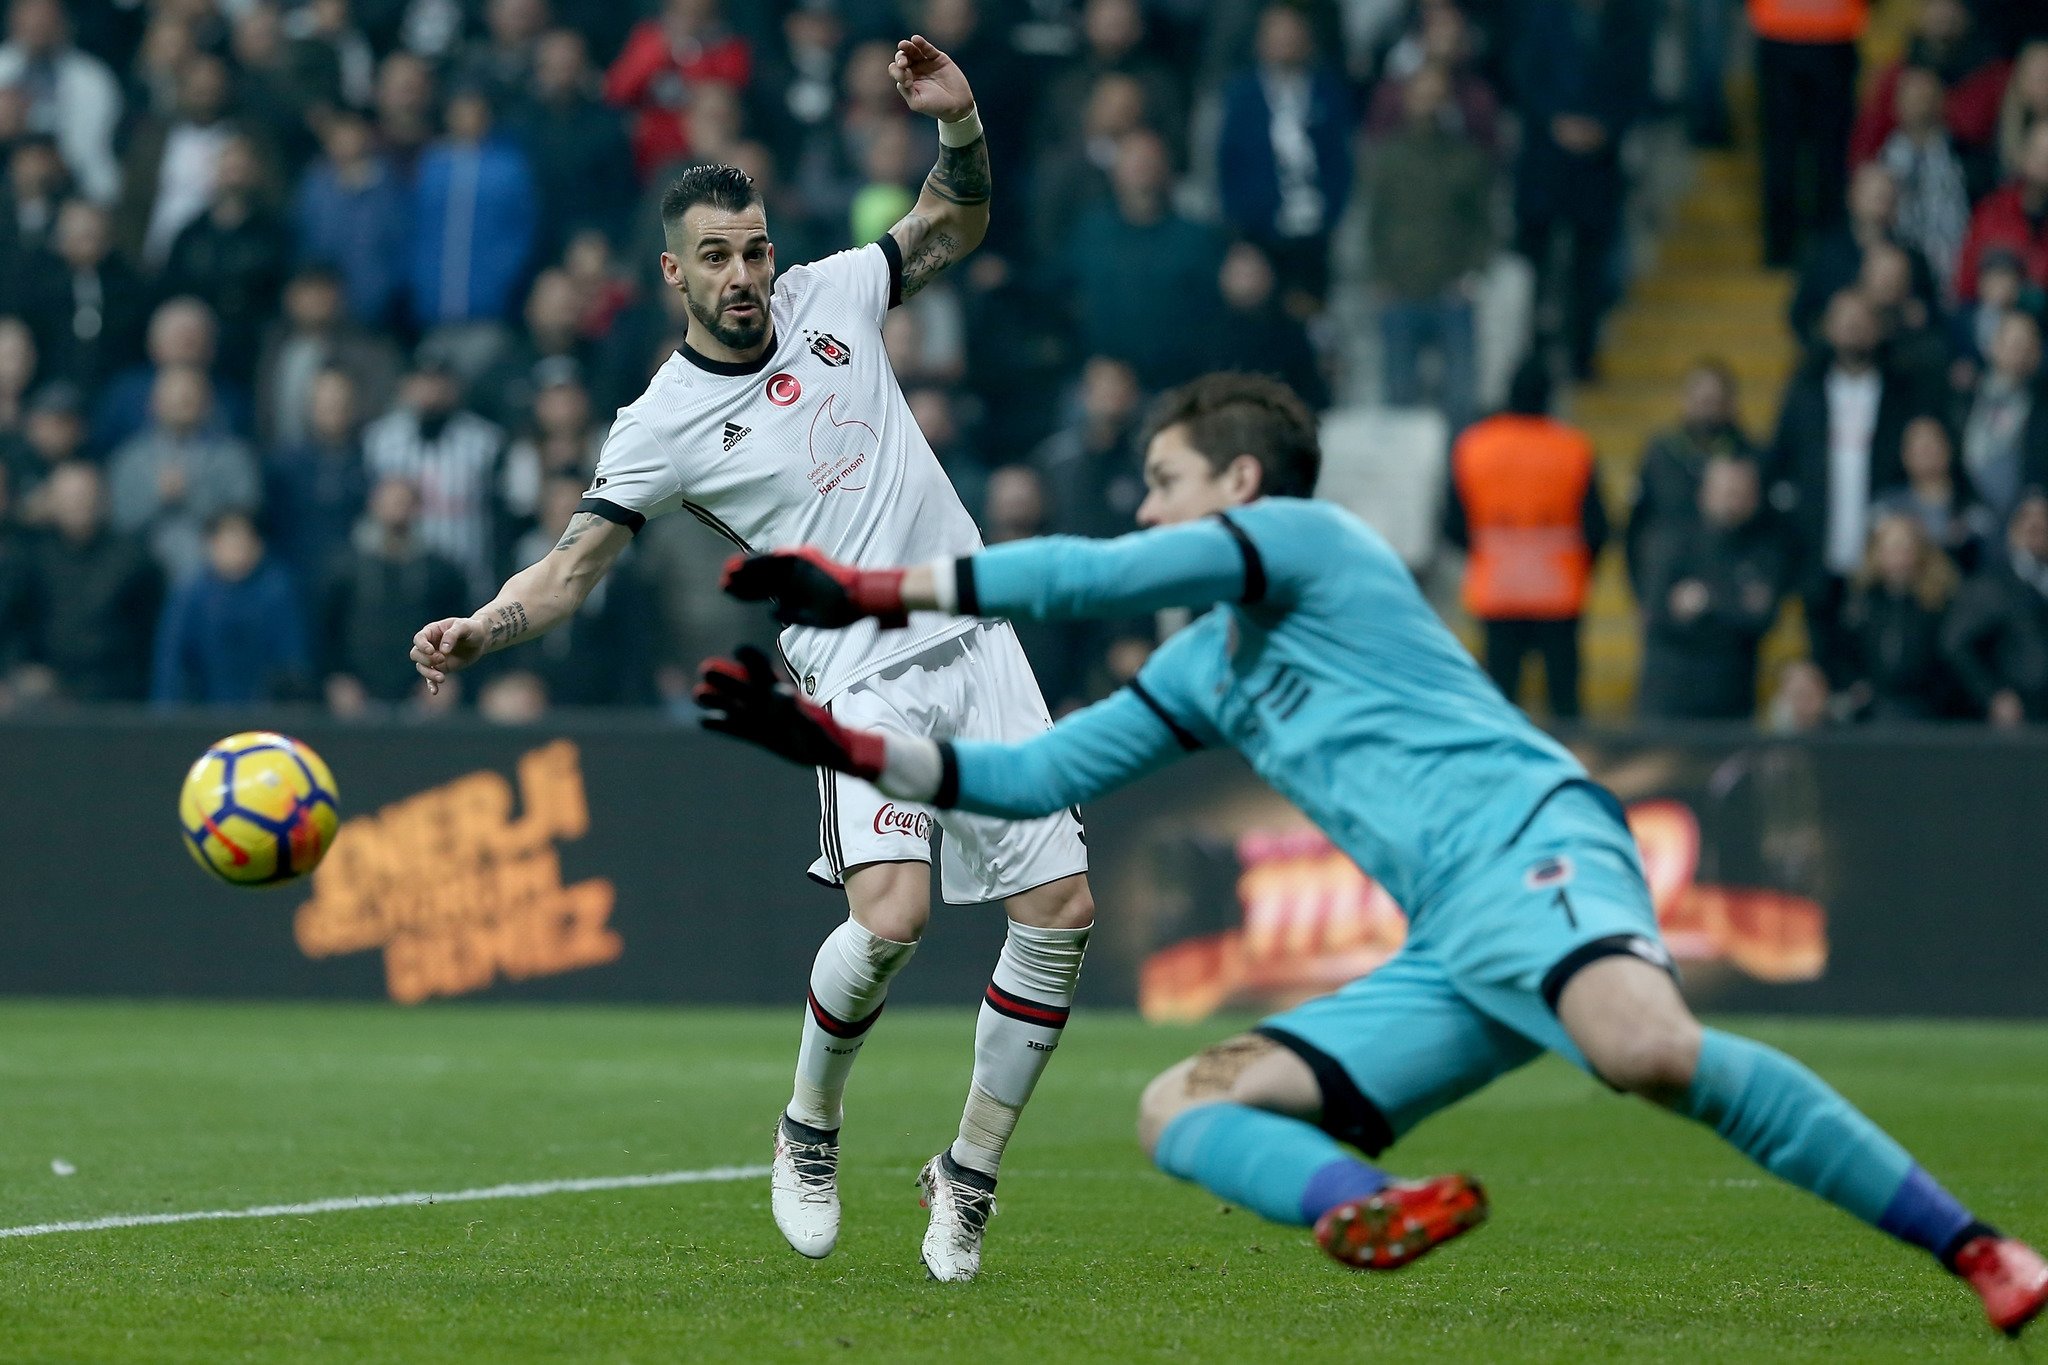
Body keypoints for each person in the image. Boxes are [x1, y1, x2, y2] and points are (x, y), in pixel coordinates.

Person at [699, 370, 2048, 1337]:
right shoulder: (1206, 669)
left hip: (1533, 842)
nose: (1145, 508)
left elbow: (1082, 579)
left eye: (1162, 482)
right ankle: (1369, 1203)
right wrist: (834, 742)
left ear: (1235, 484)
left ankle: (1978, 1246)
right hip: (1455, 943)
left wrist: (874, 590)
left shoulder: (1313, 541)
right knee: (1183, 1110)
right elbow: (1032, 775)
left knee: (1646, 1050)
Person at [406, 38, 1098, 1285]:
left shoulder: (837, 293)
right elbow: (568, 571)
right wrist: (480, 627)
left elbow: (957, 219)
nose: (745, 275)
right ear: (674, 272)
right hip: (858, 669)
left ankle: (969, 1172)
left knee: (1061, 916)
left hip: (975, 635)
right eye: (717, 256)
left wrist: (959, 123)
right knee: (892, 919)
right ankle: (808, 1128)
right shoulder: (659, 425)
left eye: (756, 248)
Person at [1444, 359, 1607, 719]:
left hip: (1498, 592)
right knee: (1564, 704)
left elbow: (1452, 525)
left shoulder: (1474, 446)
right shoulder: (1573, 448)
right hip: (1559, 593)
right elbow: (1596, 528)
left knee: (1499, 704)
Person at [1367, 62, 1493, 432]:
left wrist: (1472, 273)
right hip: (1399, 290)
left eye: (1437, 96)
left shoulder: (1467, 158)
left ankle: (1456, 482)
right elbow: (1375, 222)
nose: (1429, 104)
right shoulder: (1388, 158)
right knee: (1399, 396)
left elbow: (1483, 224)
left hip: (1452, 292)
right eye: (1421, 95)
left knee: (1460, 401)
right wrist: (1379, 277)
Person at [1215, 3, 1353, 311]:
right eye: (1276, 34)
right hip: (1259, 232)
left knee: (1312, 319)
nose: (1285, 42)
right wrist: (1237, 229)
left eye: (1292, 33)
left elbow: (1340, 160)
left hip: (1315, 233)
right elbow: (1227, 165)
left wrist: (1333, 212)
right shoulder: (1242, 95)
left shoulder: (1326, 90)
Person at [1635, 454, 1789, 720]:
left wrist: (1706, 602)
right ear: (1705, 492)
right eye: (1728, 491)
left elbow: (1762, 619)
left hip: (1732, 700)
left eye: (1743, 493)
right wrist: (1734, 603)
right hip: (1669, 700)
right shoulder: (1669, 542)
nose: (1735, 501)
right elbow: (1658, 615)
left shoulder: (1766, 548)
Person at [320, 475, 470, 715]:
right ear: (373, 505)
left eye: (404, 503)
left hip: (425, 691)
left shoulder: (441, 572)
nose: (397, 512)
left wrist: (449, 677)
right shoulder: (345, 569)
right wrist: (336, 678)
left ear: (417, 508)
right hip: (357, 692)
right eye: (390, 502)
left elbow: (460, 629)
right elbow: (327, 631)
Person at [105, 366, 261, 584]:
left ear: (208, 404)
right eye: (174, 399)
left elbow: (246, 510)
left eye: (189, 399)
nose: (181, 405)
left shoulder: (233, 455)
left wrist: (191, 496)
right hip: (140, 571)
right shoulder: (129, 459)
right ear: (154, 404)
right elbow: (119, 523)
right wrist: (158, 497)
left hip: (214, 571)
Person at [23, 461, 161, 701]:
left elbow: (151, 630)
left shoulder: (134, 558)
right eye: (69, 496)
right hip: (50, 687)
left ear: (103, 498)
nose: (79, 503)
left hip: (118, 688)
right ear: (52, 501)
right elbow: (21, 622)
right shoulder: (32, 558)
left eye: (85, 494)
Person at [1625, 360, 1761, 599]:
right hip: (1665, 580)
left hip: (1728, 587)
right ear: (1685, 400)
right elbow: (1637, 523)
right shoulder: (1662, 453)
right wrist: (1642, 587)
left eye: (1714, 402)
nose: (1706, 410)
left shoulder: (1746, 455)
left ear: (1730, 404)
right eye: (1700, 400)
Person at [1749, 0, 1867, 267]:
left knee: (1824, 155)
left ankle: (1801, 250)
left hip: (1823, 35)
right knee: (1801, 155)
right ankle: (1797, 248)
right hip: (1797, 34)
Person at [150, 511, 309, 705]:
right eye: (229, 543)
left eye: (243, 543)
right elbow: (171, 665)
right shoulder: (190, 594)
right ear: (210, 545)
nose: (237, 552)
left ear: (258, 546)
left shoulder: (277, 591)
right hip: (202, 716)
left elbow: (291, 660)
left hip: (264, 717)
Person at [1838, 512, 1962, 721]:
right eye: (1890, 547)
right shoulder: (1862, 602)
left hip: (1927, 713)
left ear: (1919, 552)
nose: (1898, 556)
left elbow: (1946, 660)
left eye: (1904, 548)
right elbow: (1845, 653)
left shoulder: (1936, 604)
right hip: (1872, 711)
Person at [1941, 491, 2048, 726]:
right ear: (2011, 530)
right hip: (2020, 716)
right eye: (2027, 520)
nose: (2037, 525)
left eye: (2044, 519)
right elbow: (1956, 643)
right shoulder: (1990, 585)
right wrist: (1993, 694)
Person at [1872, 414, 1997, 573]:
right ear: (1904, 454)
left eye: (1931, 443)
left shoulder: (1973, 513)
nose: (1925, 451)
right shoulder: (1885, 509)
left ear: (1948, 448)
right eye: (1917, 445)